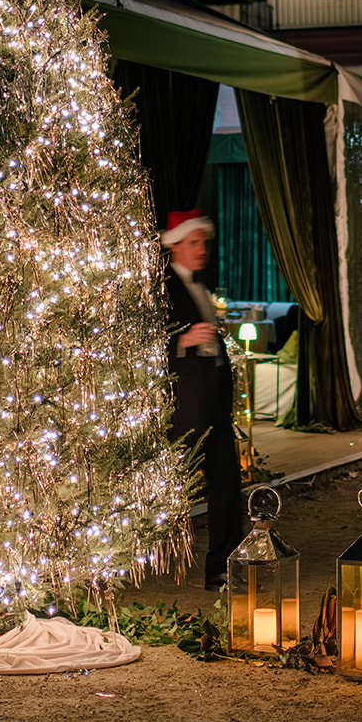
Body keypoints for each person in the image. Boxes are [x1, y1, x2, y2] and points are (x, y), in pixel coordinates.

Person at [161, 209, 242, 588]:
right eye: (193, 243)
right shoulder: (162, 287)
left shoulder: (201, 287)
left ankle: (222, 567)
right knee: (169, 490)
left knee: (227, 482)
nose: (201, 249)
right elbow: (141, 341)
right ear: (175, 245)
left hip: (215, 406)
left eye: (203, 242)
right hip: (185, 407)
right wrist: (181, 342)